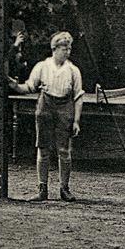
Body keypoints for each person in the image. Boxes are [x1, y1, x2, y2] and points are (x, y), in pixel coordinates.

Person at [9, 31, 83, 202]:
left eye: (69, 48)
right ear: (54, 49)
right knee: (43, 148)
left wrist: (76, 121)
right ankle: (42, 189)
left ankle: (64, 188)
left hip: (65, 108)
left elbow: (78, 97)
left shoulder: (73, 70)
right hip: (45, 106)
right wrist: (12, 84)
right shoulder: (42, 66)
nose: (67, 52)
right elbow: (29, 87)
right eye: (64, 48)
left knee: (64, 150)